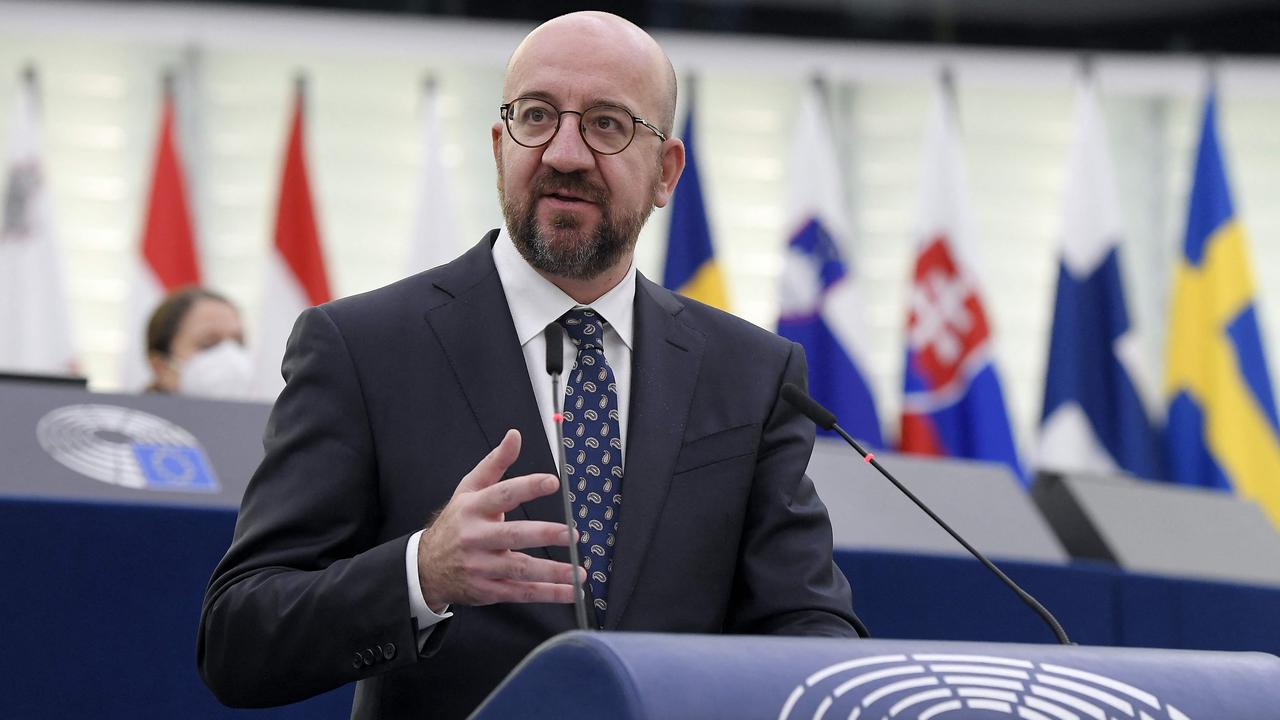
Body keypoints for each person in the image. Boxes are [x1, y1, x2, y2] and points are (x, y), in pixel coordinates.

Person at [198, 11, 861, 719]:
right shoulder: (362, 348)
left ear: (666, 171)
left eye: (606, 123)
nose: (564, 152)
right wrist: (422, 573)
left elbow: (810, 633)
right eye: (537, 116)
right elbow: (239, 637)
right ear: (498, 147)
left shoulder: (751, 375)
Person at [144, 286, 252, 400]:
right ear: (161, 367)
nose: (229, 354)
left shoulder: (262, 416)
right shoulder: (135, 417)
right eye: (209, 344)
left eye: (238, 342)